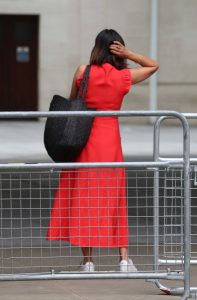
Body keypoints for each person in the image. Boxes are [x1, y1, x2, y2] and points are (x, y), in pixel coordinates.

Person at [47, 29, 159, 272]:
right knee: (115, 197)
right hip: (110, 142)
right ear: (117, 50)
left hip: (84, 139)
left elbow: (72, 100)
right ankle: (123, 259)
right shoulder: (123, 77)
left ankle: (88, 261)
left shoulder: (82, 72)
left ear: (97, 48)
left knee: (84, 199)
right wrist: (129, 53)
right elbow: (153, 66)